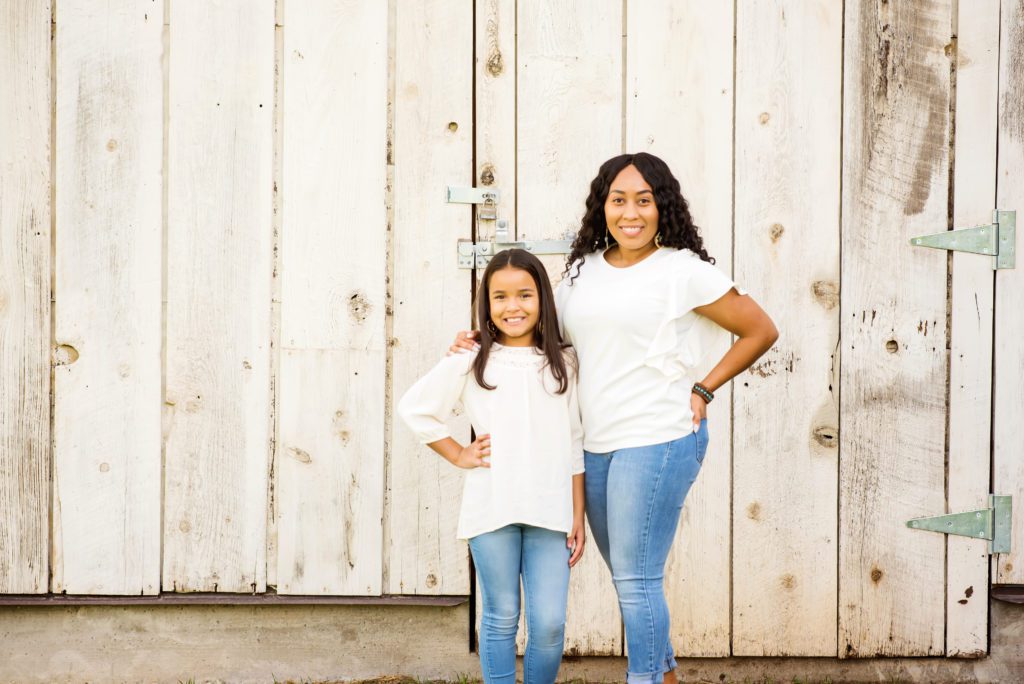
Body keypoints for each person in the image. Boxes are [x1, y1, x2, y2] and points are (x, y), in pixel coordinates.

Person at [450, 152, 778, 684]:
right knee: (631, 577)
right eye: (619, 199)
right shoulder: (583, 272)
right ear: (602, 207)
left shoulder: (684, 271)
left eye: (644, 200)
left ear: (662, 207)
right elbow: (540, 338)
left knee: (636, 579)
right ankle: (665, 673)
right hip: (594, 445)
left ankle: (645, 678)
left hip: (657, 437)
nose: (631, 212)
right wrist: (474, 342)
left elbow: (761, 329)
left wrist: (704, 387)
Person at [399, 248, 586, 684]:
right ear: (487, 304)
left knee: (550, 623)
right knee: (501, 614)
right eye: (500, 297)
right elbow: (416, 410)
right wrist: (458, 453)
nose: (512, 307)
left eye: (524, 295)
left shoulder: (566, 363)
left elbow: (575, 441)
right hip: (492, 507)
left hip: (551, 510)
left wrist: (577, 513)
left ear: (542, 299)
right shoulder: (471, 358)